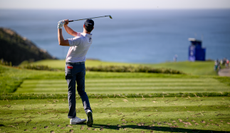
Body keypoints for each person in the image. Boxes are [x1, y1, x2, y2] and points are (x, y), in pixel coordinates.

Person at [57, 19, 94, 127]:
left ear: (83, 25)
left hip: (71, 66)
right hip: (81, 66)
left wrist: (59, 27)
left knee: (71, 92)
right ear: (92, 28)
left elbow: (61, 42)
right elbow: (73, 33)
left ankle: (73, 118)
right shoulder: (89, 38)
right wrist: (65, 26)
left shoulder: (79, 39)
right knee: (82, 91)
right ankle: (88, 110)